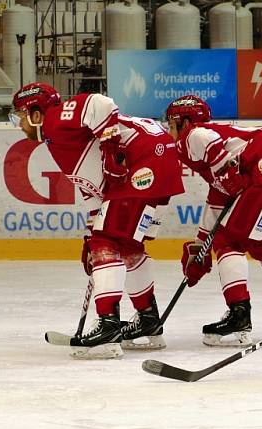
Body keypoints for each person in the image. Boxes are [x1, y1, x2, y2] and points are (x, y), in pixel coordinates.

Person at [10, 82, 184, 358]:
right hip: (157, 162)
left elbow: (99, 104)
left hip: (143, 162)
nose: (18, 125)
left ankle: (107, 327)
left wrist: (112, 149)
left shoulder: (55, 119)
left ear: (35, 112)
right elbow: (96, 194)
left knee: (108, 241)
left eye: (18, 117)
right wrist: (90, 238)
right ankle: (149, 321)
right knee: (126, 246)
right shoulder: (60, 142)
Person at [164, 95, 262, 346]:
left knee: (228, 242)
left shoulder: (195, 135)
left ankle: (239, 316)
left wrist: (227, 175)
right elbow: (219, 195)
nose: (170, 132)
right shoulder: (225, 141)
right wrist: (200, 246)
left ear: (184, 122)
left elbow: (209, 147)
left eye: (171, 124)